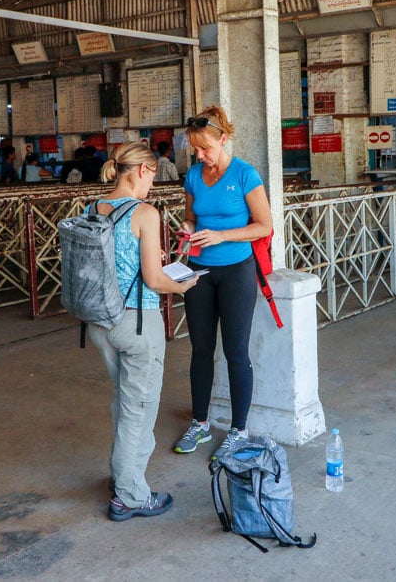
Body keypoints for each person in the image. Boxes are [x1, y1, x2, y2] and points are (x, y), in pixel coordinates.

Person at [87, 141, 199, 521]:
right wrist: (182, 283)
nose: (153, 182)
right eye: (152, 174)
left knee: (124, 400)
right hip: (137, 323)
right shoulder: (145, 213)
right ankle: (130, 496)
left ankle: (122, 475)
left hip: (100, 323)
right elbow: (154, 279)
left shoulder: (94, 207)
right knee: (139, 409)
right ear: (140, 171)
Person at [173, 105, 272, 462]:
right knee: (200, 350)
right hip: (198, 272)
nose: (200, 156)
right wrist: (186, 230)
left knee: (235, 352)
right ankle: (200, 423)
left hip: (236, 272)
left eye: (205, 149)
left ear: (224, 139)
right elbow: (190, 217)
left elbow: (263, 225)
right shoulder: (194, 176)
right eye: (194, 150)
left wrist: (222, 236)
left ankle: (238, 430)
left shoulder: (245, 174)